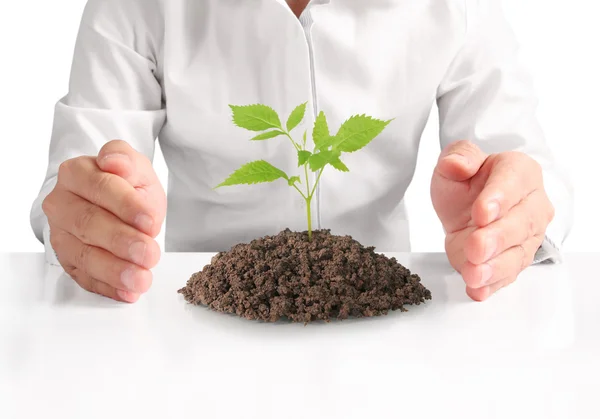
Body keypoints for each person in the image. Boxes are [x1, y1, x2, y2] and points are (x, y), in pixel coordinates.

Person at [31, 0, 573, 304]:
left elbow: (527, 171)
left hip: (378, 309)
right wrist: (94, 211)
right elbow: (75, 177)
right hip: (198, 315)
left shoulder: (456, 8)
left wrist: (507, 213)